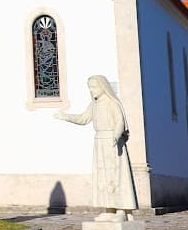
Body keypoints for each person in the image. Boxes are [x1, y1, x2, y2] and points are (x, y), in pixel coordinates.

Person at [57, 74, 139, 219]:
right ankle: (110, 209)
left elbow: (119, 121)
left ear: (103, 87)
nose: (92, 90)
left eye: (94, 87)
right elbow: (83, 119)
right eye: (90, 88)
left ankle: (122, 210)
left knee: (116, 175)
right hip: (99, 142)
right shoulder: (94, 104)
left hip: (112, 142)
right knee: (103, 176)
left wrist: (116, 135)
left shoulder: (112, 103)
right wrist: (66, 117)